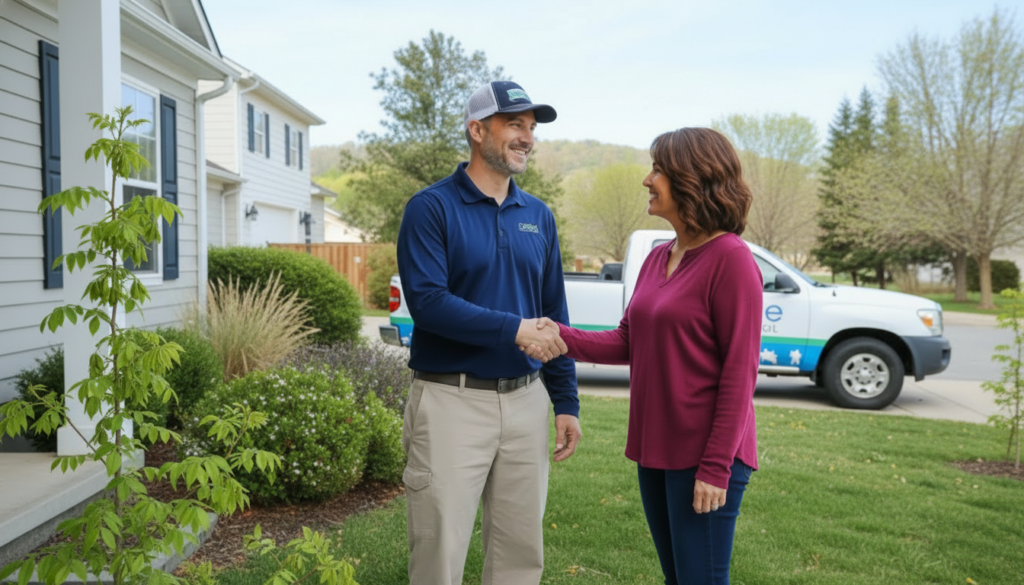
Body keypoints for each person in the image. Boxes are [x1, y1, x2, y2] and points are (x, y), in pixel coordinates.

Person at [524, 127, 761, 585]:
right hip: (657, 450)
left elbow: (739, 374)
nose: (647, 180)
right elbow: (628, 341)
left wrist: (715, 467)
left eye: (658, 171)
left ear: (692, 179)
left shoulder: (731, 260)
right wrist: (558, 335)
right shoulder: (659, 256)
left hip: (706, 457)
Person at [396, 80, 583, 585]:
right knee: (440, 554)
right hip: (450, 401)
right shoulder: (430, 208)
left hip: (526, 403)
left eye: (531, 128)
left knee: (520, 556)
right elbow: (429, 304)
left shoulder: (538, 216)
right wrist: (515, 330)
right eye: (515, 125)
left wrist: (565, 401)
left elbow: (552, 315)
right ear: (478, 130)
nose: (527, 138)